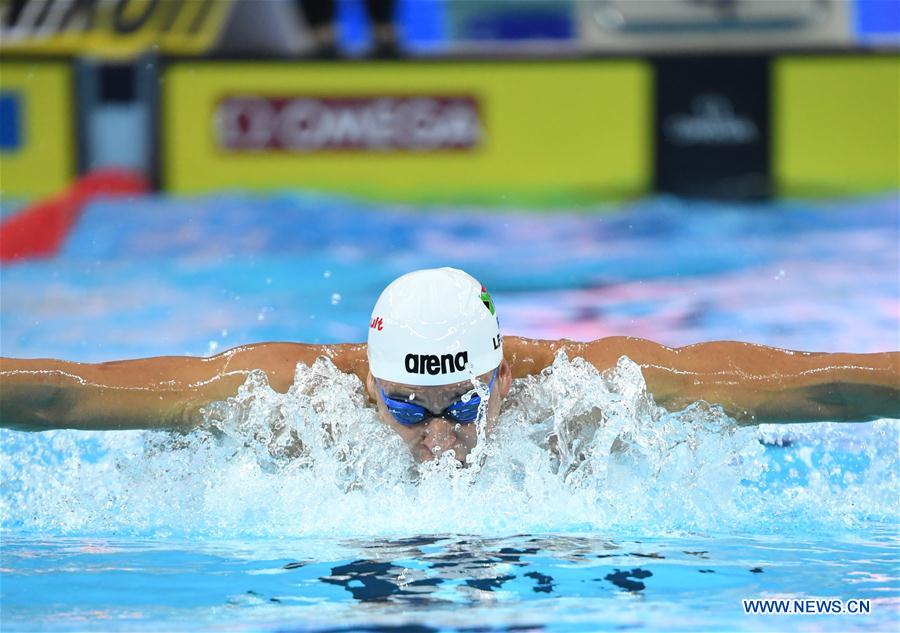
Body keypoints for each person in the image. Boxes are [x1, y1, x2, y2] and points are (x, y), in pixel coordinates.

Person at [1, 268, 898, 464]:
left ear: (504, 376)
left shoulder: (591, 383)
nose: (438, 439)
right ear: (371, 383)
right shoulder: (297, 390)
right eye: (407, 410)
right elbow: (63, 399)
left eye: (463, 408)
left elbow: (818, 379)